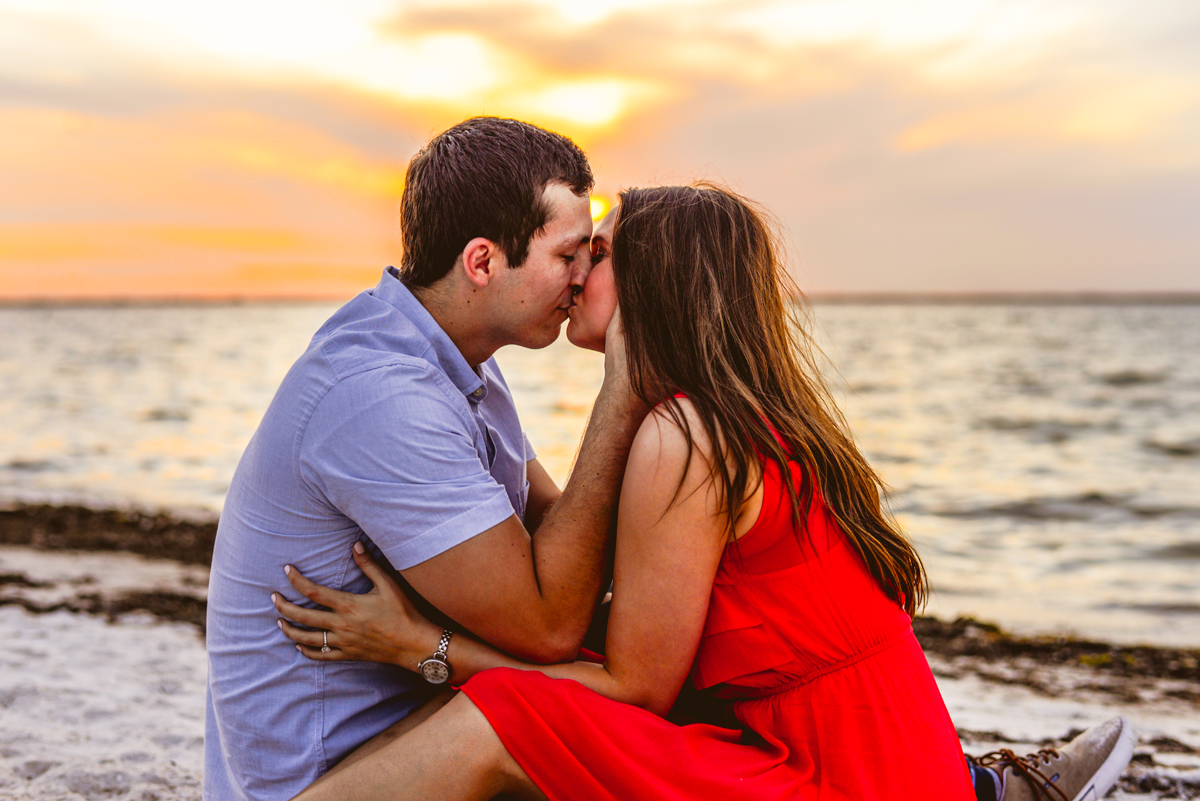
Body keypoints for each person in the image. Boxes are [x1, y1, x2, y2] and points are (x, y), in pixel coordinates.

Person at [274, 185, 1136, 801]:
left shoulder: (682, 439)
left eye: (598, 253)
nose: (576, 272)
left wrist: (418, 646)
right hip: (888, 763)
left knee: (499, 715)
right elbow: (561, 576)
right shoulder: (732, 417)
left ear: (655, 281)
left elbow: (634, 689)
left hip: (842, 780)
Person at [204, 117, 650, 801]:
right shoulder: (379, 395)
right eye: (568, 256)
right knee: (622, 720)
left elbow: (559, 533)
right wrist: (623, 389)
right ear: (482, 262)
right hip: (327, 776)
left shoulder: (458, 359)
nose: (586, 276)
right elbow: (551, 622)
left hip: (409, 723)